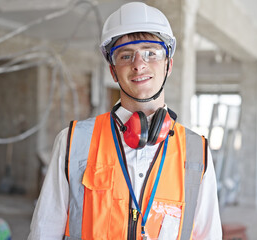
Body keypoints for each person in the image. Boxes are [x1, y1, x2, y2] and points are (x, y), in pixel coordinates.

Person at [28, 2, 222, 240]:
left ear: (168, 65)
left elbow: (208, 235)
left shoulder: (196, 152)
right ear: (113, 71)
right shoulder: (74, 141)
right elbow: (43, 233)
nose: (139, 64)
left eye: (151, 53)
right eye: (126, 55)